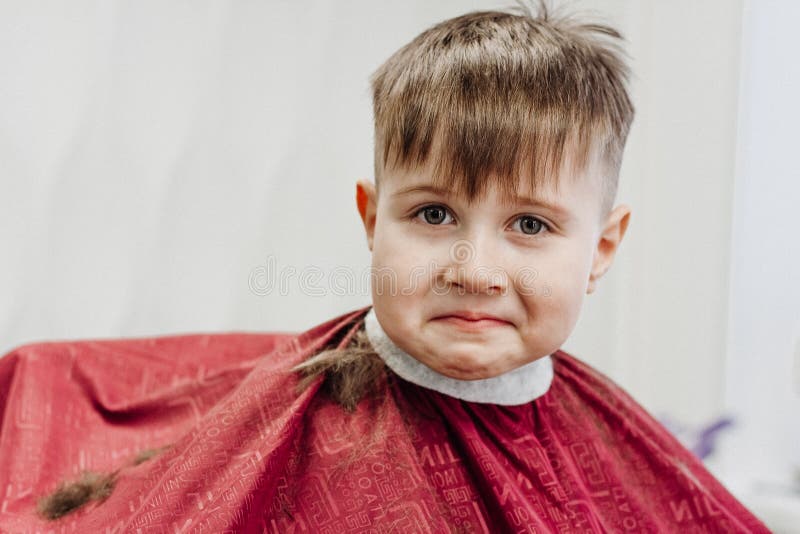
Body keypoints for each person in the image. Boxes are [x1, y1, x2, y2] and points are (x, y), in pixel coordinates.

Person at [0, 5, 770, 533]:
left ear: (600, 250)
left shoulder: (607, 434)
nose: (475, 270)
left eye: (530, 225)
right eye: (433, 215)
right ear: (373, 220)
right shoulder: (308, 438)